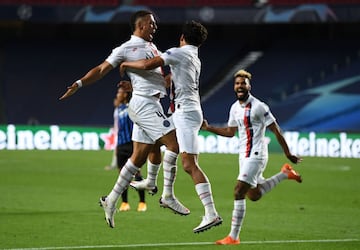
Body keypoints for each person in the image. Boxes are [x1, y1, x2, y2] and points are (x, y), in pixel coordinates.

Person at [59, 10, 190, 229]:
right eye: (152, 23)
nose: (155, 27)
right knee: (174, 144)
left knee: (139, 157)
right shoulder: (126, 49)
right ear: (140, 26)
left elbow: (155, 78)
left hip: (151, 102)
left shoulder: (152, 47)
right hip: (144, 105)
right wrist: (79, 84)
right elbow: (102, 69)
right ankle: (167, 195)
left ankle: (110, 200)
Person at [119, 20, 222, 233]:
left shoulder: (179, 53)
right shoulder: (192, 56)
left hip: (185, 113)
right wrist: (135, 86)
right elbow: (169, 81)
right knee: (155, 136)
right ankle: (161, 190)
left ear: (182, 38)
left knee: (189, 164)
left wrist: (127, 65)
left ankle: (210, 213)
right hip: (183, 112)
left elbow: (149, 64)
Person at [201, 69, 303, 245]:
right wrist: (208, 128)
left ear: (249, 86)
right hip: (243, 155)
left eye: (243, 83)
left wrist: (288, 153)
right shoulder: (234, 108)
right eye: (237, 83)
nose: (240, 86)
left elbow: (276, 130)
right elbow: (229, 132)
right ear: (234, 86)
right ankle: (285, 174)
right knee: (253, 195)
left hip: (257, 154)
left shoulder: (259, 107)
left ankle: (233, 236)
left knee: (238, 190)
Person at [105, 84, 147, 212]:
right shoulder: (117, 110)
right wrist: (116, 148)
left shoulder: (132, 106)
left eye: (120, 92)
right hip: (121, 145)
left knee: (136, 173)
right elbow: (117, 129)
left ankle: (142, 202)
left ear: (125, 94)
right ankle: (125, 203)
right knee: (122, 175)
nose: (117, 94)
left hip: (132, 144)